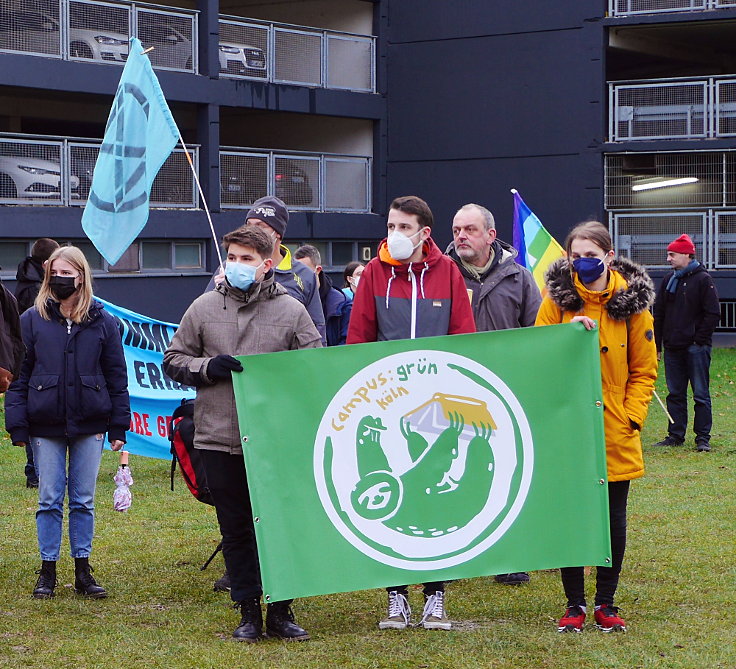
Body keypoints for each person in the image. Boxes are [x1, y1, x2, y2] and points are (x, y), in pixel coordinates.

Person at [163, 226, 322, 642]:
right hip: (217, 435)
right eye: (232, 256)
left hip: (274, 440)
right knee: (234, 527)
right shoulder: (202, 307)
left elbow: (314, 365)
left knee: (277, 525)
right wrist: (206, 367)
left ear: (268, 264)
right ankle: (248, 610)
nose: (236, 265)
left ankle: (281, 610)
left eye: (246, 258)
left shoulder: (292, 311)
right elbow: (174, 359)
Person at [347, 195, 476, 631]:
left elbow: (464, 337)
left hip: (438, 405)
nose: (395, 235)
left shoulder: (448, 272)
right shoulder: (374, 276)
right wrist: (366, 395)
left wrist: (456, 391)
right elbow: (359, 337)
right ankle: (396, 596)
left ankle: (436, 595)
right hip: (387, 403)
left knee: (435, 489)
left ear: (425, 233)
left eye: (404, 227)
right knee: (392, 485)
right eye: (391, 226)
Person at [535, 221, 657, 633]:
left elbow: (645, 370)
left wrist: (633, 416)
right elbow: (540, 353)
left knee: (612, 517)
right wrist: (568, 337)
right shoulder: (557, 300)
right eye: (576, 255)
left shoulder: (633, 305)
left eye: (591, 255)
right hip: (570, 425)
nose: (582, 262)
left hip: (615, 427)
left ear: (608, 256)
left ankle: (605, 601)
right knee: (572, 514)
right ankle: (574, 604)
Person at [5, 246, 130, 600]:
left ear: (81, 276)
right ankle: (47, 569)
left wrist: (119, 424)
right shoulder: (31, 320)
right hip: (44, 423)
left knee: (83, 499)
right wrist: (17, 424)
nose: (60, 279)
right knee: (48, 497)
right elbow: (18, 375)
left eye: (67, 273)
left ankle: (82, 569)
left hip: (90, 422)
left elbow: (116, 376)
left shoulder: (104, 322)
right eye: (54, 273)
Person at [447, 202, 541, 586]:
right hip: (449, 391)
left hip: (503, 392)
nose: (460, 237)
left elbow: (536, 332)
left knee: (501, 470)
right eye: (455, 230)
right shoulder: (440, 274)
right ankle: (448, 555)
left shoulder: (518, 278)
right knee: (449, 468)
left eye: (469, 229)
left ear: (490, 234)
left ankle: (506, 554)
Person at [652, 234, 721, 453]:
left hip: (695, 348)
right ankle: (675, 435)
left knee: (700, 394)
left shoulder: (703, 280)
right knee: (675, 393)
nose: (668, 259)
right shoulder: (668, 280)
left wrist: (698, 340)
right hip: (673, 347)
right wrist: (658, 345)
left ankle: (702, 438)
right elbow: (659, 313)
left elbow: (713, 313)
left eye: (672, 254)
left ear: (686, 254)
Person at [14, 237, 60, 488]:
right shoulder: (34, 289)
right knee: (36, 418)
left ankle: (37, 470)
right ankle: (35, 472)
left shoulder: (26, 279)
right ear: (46, 264)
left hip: (32, 358)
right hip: (35, 360)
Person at [294, 244, 351, 346]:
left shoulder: (342, 306)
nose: (300, 276)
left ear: (318, 270)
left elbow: (347, 345)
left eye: (304, 271)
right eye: (296, 272)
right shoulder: (292, 301)